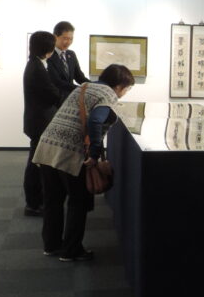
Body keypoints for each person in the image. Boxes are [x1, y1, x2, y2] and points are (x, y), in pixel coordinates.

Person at [34, 63, 133, 262]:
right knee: (78, 201)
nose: (125, 93)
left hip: (48, 145)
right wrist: (95, 154)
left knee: (53, 200)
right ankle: (71, 251)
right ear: (119, 85)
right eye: (127, 88)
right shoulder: (108, 94)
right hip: (70, 151)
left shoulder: (84, 87)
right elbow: (95, 121)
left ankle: (52, 245)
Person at [22, 31, 64, 216]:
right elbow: (52, 94)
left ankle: (35, 201)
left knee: (37, 163)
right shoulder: (37, 68)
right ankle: (33, 203)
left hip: (37, 121)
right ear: (48, 49)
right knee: (36, 165)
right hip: (40, 122)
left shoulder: (35, 64)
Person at [47, 20, 90, 98]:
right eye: (65, 38)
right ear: (55, 37)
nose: (68, 42)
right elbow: (57, 82)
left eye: (71, 39)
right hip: (54, 100)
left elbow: (79, 77)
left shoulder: (71, 54)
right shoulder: (48, 55)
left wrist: (94, 86)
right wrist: (81, 89)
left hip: (69, 100)